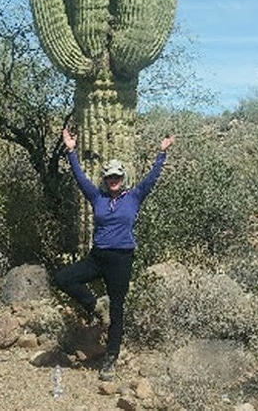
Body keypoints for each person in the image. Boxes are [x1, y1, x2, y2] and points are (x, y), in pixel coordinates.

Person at [54, 128, 175, 381]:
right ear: (105, 179)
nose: (113, 180)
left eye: (116, 176)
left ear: (123, 177)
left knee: (117, 310)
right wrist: (71, 151)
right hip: (98, 256)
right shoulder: (96, 196)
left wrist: (161, 153)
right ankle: (95, 305)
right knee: (64, 278)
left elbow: (152, 178)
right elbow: (79, 178)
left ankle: (110, 359)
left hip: (121, 259)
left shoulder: (134, 196)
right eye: (109, 177)